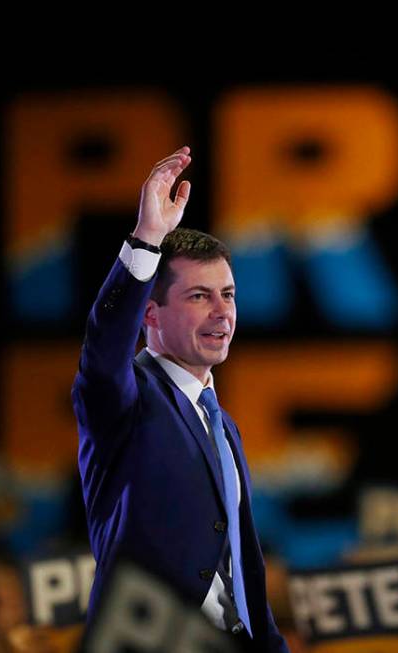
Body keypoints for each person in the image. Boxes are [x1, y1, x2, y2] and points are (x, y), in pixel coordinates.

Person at [72, 146, 289, 652]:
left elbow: (241, 571)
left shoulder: (222, 425)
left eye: (228, 294)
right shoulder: (124, 400)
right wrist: (146, 241)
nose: (222, 313)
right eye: (199, 296)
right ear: (150, 315)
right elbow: (104, 352)